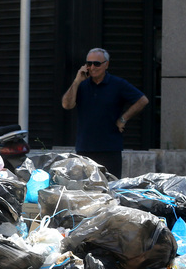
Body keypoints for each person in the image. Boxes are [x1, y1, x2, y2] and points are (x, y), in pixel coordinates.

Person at [61, 47, 148, 178]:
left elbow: (142, 100)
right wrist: (77, 81)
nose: (92, 67)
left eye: (96, 63)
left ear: (106, 64)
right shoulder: (82, 85)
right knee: (85, 189)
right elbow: (67, 105)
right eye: (89, 64)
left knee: (110, 187)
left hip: (109, 148)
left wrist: (123, 119)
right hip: (85, 147)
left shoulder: (117, 84)